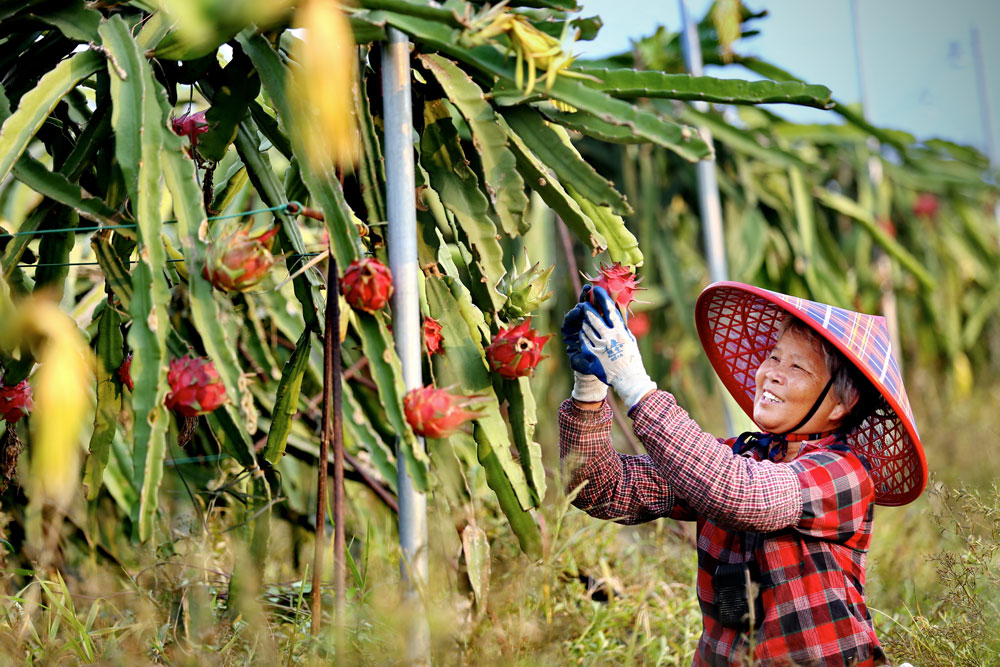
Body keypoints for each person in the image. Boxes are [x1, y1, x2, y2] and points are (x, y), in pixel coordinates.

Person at [559, 281, 927, 667]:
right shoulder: (739, 455)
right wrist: (590, 388)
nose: (771, 373)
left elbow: (741, 495)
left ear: (841, 404)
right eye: (774, 356)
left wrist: (636, 385)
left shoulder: (844, 472)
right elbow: (601, 489)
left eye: (797, 366)